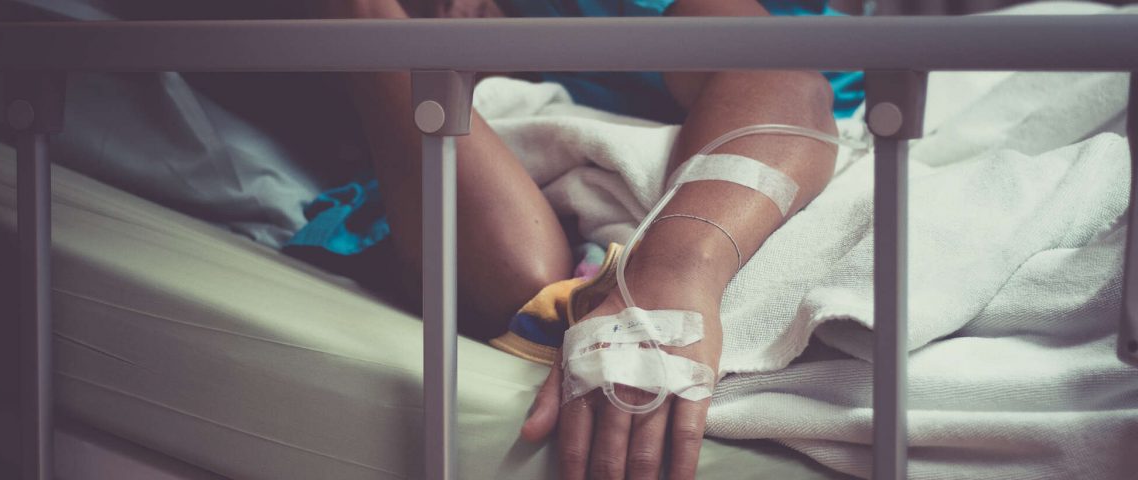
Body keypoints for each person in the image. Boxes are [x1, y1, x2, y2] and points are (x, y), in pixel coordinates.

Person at [320, 1, 857, 478]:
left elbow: (780, 77)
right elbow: (529, 288)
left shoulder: (614, 12)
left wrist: (670, 274)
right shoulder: (413, 140)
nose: (446, 10)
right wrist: (370, 20)